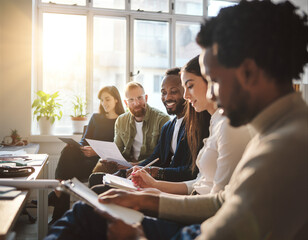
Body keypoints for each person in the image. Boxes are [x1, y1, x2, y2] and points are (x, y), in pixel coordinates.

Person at [45, 1, 308, 239]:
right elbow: (221, 202)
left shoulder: (285, 147)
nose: (212, 93)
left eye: (214, 80)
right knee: (90, 211)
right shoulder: (274, 130)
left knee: (85, 215)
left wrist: (137, 236)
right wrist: (148, 201)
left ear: (249, 71)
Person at [131, 55, 251, 196]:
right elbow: (199, 183)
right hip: (194, 199)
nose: (186, 96)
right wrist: (154, 185)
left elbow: (216, 200)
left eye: (190, 86)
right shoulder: (215, 122)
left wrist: (158, 199)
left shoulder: (227, 125)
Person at [89, 67, 208, 188]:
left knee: (99, 189)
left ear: (186, 93)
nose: (167, 98)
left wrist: (155, 172)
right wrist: (132, 169)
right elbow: (156, 158)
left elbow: (191, 172)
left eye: (174, 91)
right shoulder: (168, 127)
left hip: (169, 185)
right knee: (96, 179)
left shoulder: (196, 125)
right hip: (157, 179)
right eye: (163, 92)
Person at [49, 86, 125, 224]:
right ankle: (59, 189)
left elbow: (118, 148)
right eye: (102, 100)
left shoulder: (122, 120)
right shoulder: (96, 118)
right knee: (68, 150)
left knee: (67, 175)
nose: (104, 103)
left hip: (101, 161)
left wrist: (96, 151)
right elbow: (84, 139)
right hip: (85, 157)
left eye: (107, 99)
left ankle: (57, 199)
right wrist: (76, 145)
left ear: (116, 100)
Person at [94, 81, 170, 174]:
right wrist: (108, 158)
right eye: (131, 100)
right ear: (126, 103)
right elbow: (118, 148)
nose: (136, 103)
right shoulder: (121, 120)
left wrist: (135, 165)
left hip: (148, 168)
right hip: (125, 165)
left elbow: (162, 156)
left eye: (139, 98)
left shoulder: (162, 120)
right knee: (99, 168)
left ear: (146, 98)